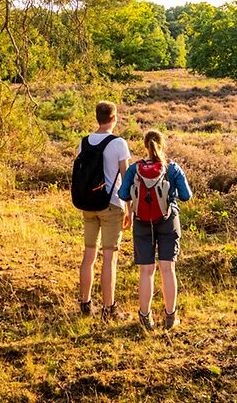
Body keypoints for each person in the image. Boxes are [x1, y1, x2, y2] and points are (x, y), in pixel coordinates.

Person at [119, 129, 192, 331]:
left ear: (145, 145)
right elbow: (186, 196)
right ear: (163, 144)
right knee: (168, 269)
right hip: (168, 220)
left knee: (146, 270)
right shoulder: (172, 168)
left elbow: (123, 193)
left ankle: (145, 317)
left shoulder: (135, 169)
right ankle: (170, 316)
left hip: (142, 221)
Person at [78, 100, 132, 320]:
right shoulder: (119, 144)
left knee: (89, 255)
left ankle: (85, 303)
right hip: (111, 206)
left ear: (97, 117)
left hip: (88, 205)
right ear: (114, 118)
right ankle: (109, 309)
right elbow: (126, 179)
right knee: (110, 258)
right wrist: (129, 209)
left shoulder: (85, 142)